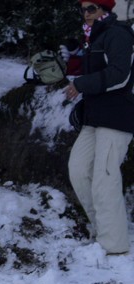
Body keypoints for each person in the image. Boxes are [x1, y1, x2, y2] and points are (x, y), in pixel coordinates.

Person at [65, 0, 134, 255]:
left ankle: (113, 245)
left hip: (117, 115)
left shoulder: (118, 34)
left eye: (91, 8)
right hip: (94, 116)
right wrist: (70, 58)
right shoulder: (94, 37)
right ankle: (101, 229)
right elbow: (86, 71)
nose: (86, 13)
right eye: (82, 9)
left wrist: (81, 84)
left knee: (105, 177)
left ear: (105, 10)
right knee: (79, 169)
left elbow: (120, 75)